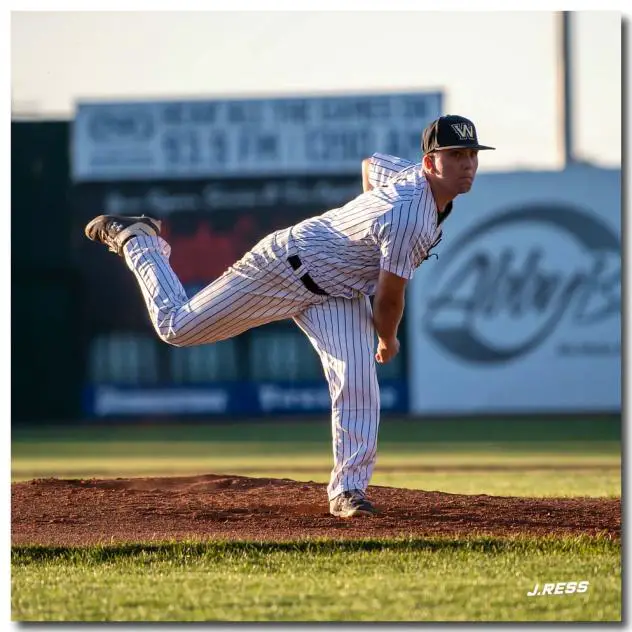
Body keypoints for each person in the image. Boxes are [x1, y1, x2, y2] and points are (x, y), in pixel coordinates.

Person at [85, 114, 495, 518]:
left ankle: (348, 491)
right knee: (176, 327)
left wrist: (363, 228)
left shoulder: (411, 179)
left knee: (358, 384)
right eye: (454, 154)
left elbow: (372, 165)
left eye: (472, 155)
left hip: (339, 292)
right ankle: (140, 241)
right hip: (284, 267)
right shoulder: (411, 215)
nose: (467, 164)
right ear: (430, 162)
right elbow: (389, 299)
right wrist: (387, 340)